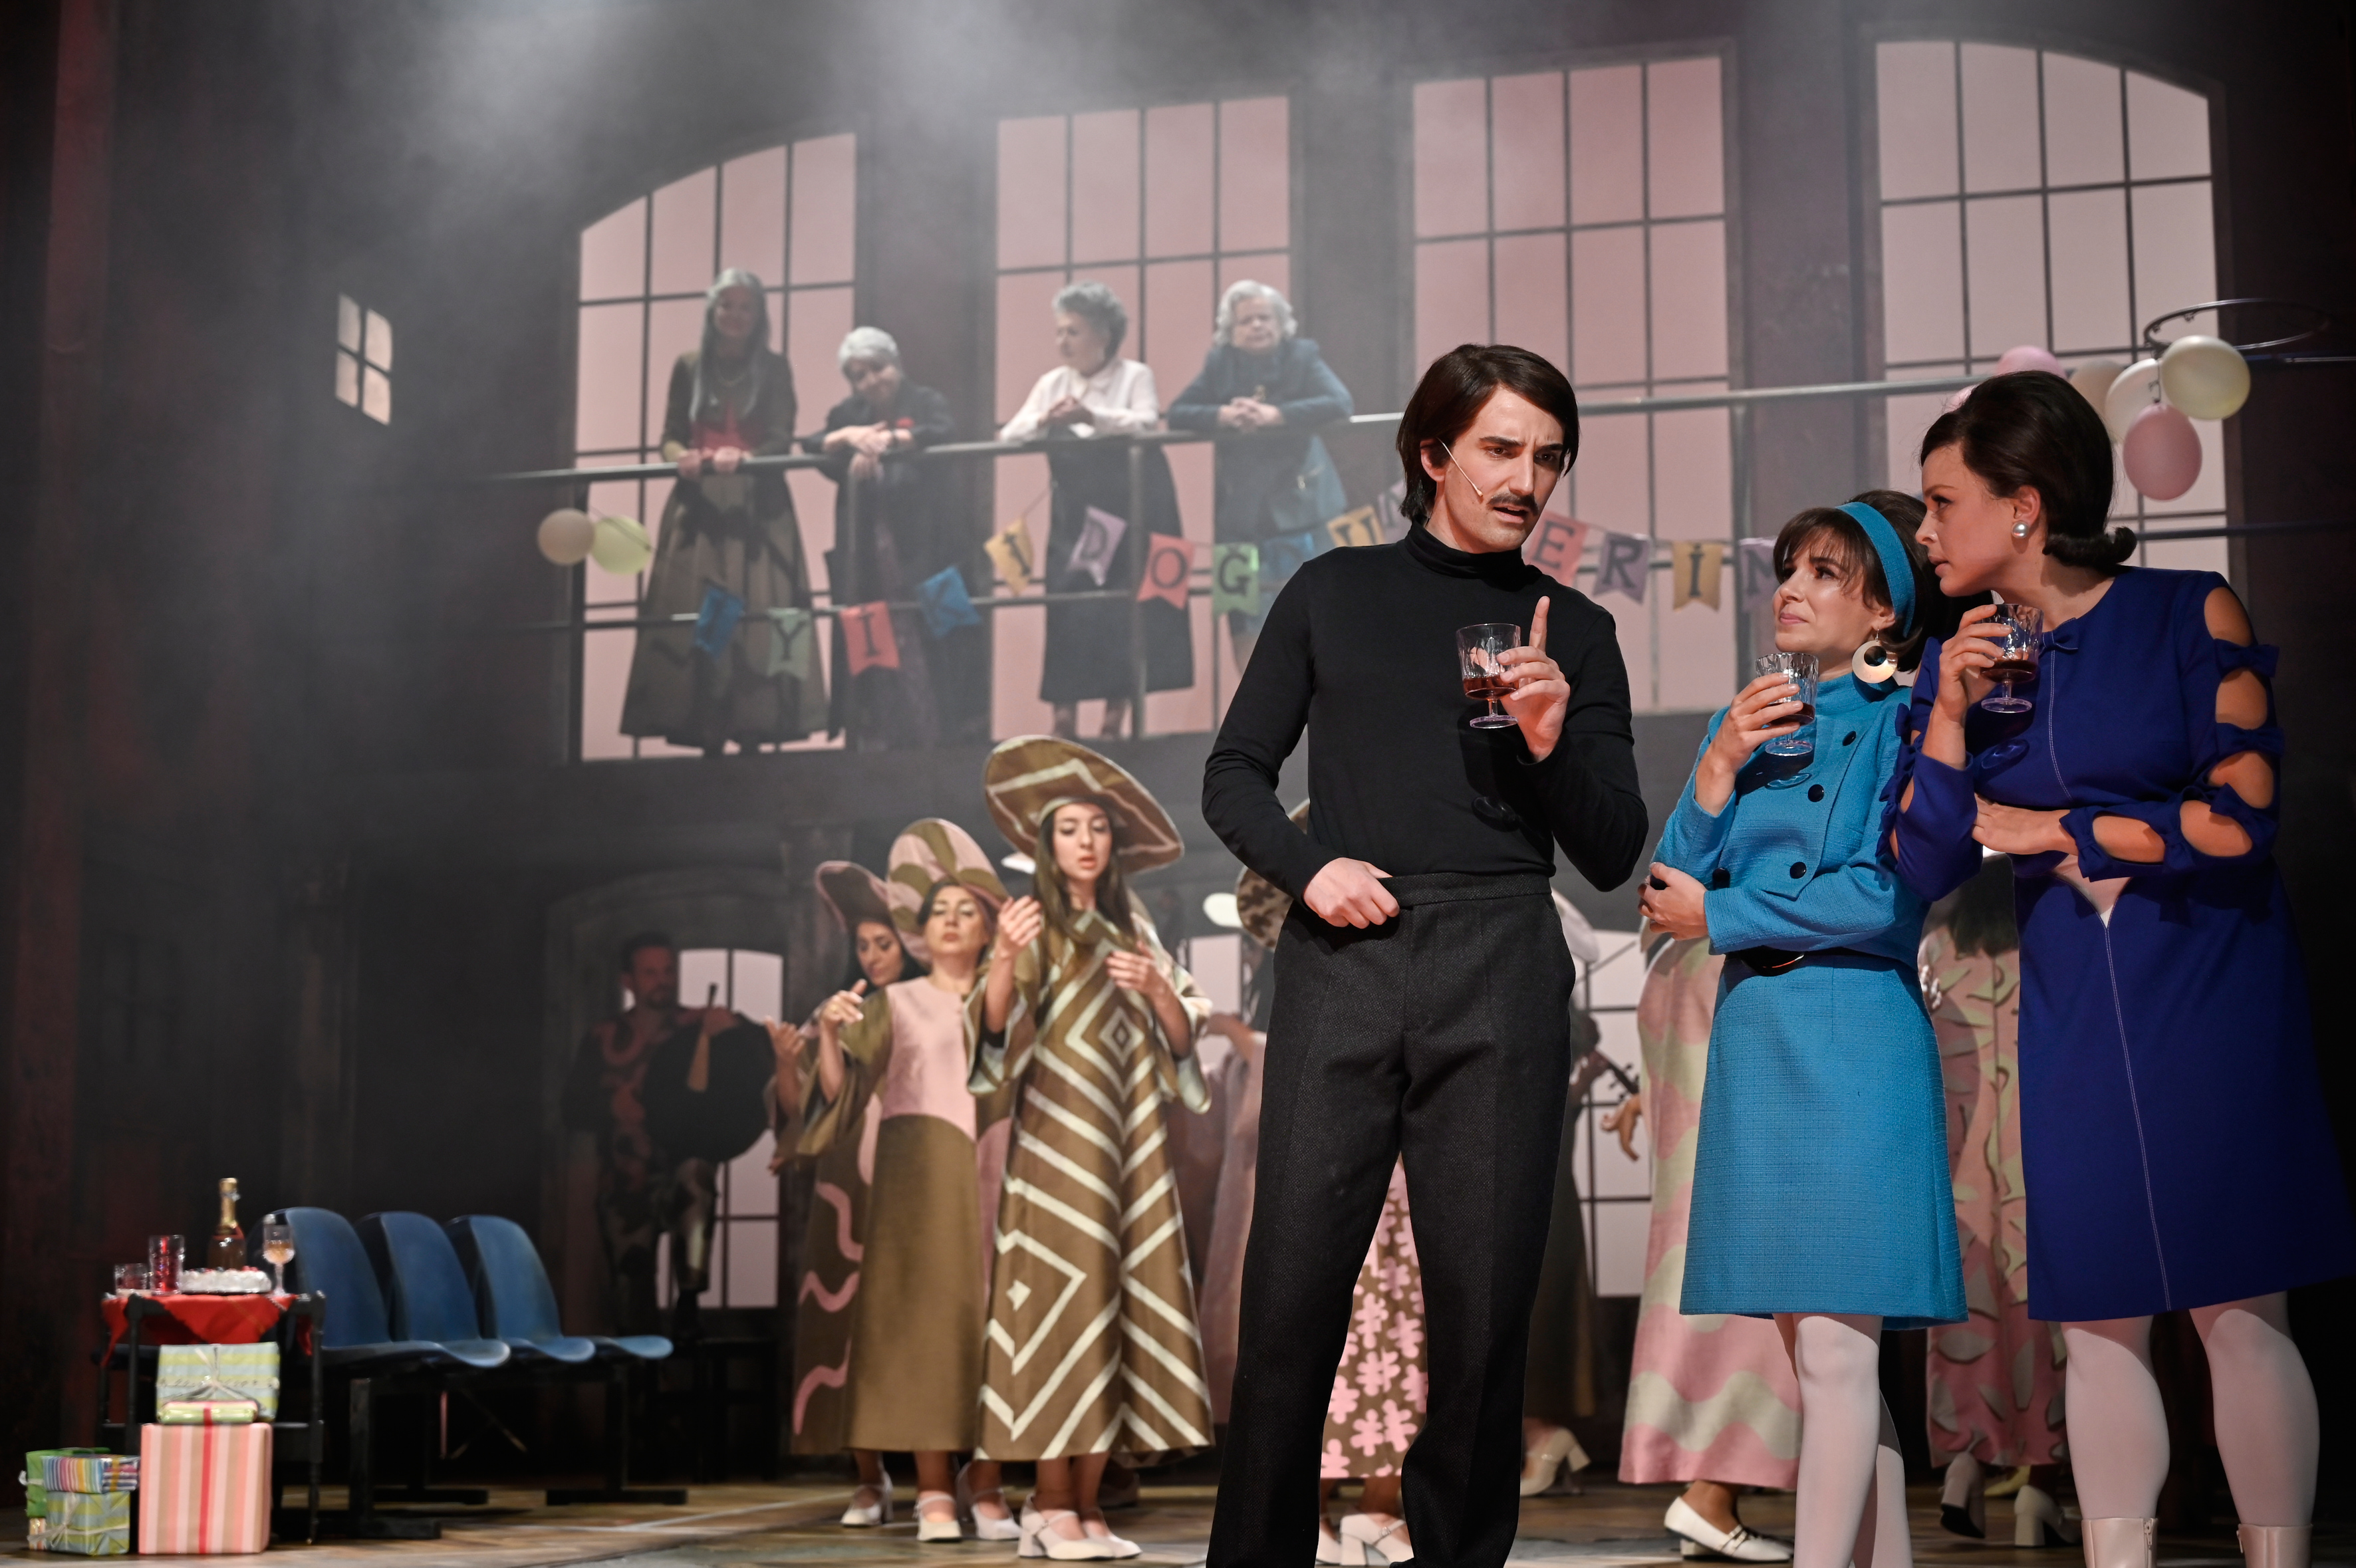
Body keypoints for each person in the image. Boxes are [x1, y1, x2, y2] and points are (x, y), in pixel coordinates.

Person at [1887, 370, 2356, 1568]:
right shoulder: (1958, 658)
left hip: (2208, 985)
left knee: (2237, 1302)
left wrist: (2057, 830)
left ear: (2023, 505)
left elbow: (2239, 816)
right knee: (2093, 1314)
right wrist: (1948, 712)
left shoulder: (2187, 611)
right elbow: (1925, 857)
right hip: (2070, 1007)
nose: (1925, 529)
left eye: (1941, 501)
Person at [1203, 343, 1646, 1568]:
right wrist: (1309, 870)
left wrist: (1549, 740)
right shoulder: (1330, 590)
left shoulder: (1576, 630)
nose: (1525, 479)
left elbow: (1611, 850)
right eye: (1500, 448)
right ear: (1433, 451)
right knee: (1289, 1300)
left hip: (1501, 955)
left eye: (1547, 457)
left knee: (1483, 1317)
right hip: (1343, 954)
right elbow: (1233, 774)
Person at [1638, 493, 1964, 1568]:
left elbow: (1883, 897)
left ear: (1882, 610)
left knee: (1835, 1356)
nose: (1790, 587)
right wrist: (1716, 767)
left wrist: (1725, 912)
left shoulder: (1910, 718)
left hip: (1854, 1036)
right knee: (1819, 1361)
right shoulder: (1748, 719)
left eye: (1824, 572)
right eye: (1788, 567)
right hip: (1758, 1037)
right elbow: (1667, 887)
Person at [970, 737, 1216, 1561]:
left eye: (1098, 828)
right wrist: (1003, 958)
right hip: (1055, 1151)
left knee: (1122, 1306)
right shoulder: (1034, 921)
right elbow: (994, 1035)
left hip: (1129, 1147)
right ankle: (1048, 1503)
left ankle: (1086, 1506)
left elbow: (1183, 1036)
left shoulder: (1132, 926)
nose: (1086, 841)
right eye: (1069, 828)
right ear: (1046, 844)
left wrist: (1158, 990)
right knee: (1060, 1307)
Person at [800, 821, 1019, 1543]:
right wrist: (828, 1034)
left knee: (996, 1324)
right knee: (926, 1328)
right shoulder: (895, 1002)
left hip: (998, 1168)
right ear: (920, 931)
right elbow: (841, 1096)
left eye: (966, 911)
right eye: (938, 912)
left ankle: (987, 1483)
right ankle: (931, 1488)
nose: (951, 921)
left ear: (989, 927)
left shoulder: (1011, 999)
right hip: (917, 1180)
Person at [1603, 935, 1799, 1561]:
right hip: (1749, 1172)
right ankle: (1710, 1496)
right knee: (1764, 1314)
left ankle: (1707, 1499)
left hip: (1695, 1179)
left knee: (1707, 1303)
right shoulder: (1747, 949)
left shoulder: (1668, 956)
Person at [1917, 855, 2073, 1546]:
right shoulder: (2045, 942)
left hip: (1956, 1157)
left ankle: (1963, 1463)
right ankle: (2041, 1486)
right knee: (2047, 1313)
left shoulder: (1934, 948)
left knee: (1965, 1307)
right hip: (2039, 1147)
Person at [621, 269, 827, 752]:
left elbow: (781, 436)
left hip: (760, 506)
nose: (735, 315)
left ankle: (757, 728)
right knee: (694, 610)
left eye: (746, 307)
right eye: (726, 305)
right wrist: (681, 458)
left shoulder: (774, 368)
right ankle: (702, 727)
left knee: (762, 612)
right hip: (699, 506)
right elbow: (669, 436)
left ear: (759, 316)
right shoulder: (689, 365)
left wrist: (749, 458)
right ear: (712, 312)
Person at [775, 859, 922, 1519]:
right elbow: (808, 1107)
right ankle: (869, 1478)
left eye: (884, 943)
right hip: (847, 1189)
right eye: (862, 945)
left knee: (924, 1322)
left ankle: (949, 1478)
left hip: (915, 1174)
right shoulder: (837, 1011)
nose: (872, 956)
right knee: (848, 1329)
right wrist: (792, 1057)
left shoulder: (931, 1002)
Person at [999, 281, 1192, 740]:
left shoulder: (1134, 375)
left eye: (1074, 331)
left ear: (1103, 334)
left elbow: (1146, 420)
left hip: (1131, 506)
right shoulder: (1053, 383)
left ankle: (1114, 717)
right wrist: (1045, 420)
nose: (1062, 341)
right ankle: (1063, 717)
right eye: (1059, 332)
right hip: (1074, 513)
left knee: (1124, 609)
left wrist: (1091, 417)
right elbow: (1010, 434)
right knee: (1068, 605)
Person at [808, 327, 985, 748]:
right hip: (868, 543)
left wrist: (887, 441)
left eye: (878, 368)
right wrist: (850, 437)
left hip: (927, 543)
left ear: (897, 364)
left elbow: (942, 430)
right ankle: (878, 735)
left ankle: (944, 735)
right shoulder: (849, 412)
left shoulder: (925, 400)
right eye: (859, 375)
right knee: (872, 628)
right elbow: (813, 445)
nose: (871, 381)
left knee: (935, 634)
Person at [561, 934, 744, 1334]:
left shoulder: (696, 1025)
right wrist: (612, 1105)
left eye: (668, 971)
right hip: (625, 1183)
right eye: (650, 973)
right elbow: (571, 1107)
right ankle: (638, 1366)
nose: (662, 981)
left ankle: (689, 1300)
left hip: (682, 1167)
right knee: (632, 1297)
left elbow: (749, 1053)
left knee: (697, 1178)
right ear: (628, 980)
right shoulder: (603, 1037)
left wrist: (731, 1028)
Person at [1166, 281, 1354, 668]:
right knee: (1245, 623)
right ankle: (1255, 700)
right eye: (1246, 321)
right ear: (1231, 331)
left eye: (1264, 318)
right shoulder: (1219, 363)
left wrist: (1276, 415)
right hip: (1240, 519)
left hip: (1303, 510)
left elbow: (1340, 402)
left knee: (1319, 618)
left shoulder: (1303, 355)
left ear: (1281, 324)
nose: (1256, 326)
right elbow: (1178, 413)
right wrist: (1223, 415)